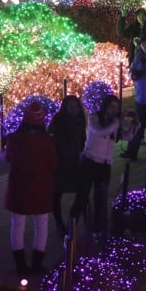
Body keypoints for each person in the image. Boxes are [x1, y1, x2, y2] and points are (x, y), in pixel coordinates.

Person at [4, 100, 58, 276]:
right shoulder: (47, 141)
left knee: (17, 224)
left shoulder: (14, 139)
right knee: (41, 224)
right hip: (40, 187)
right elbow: (53, 163)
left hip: (19, 186)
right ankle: (37, 263)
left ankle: (20, 265)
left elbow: (9, 160)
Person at [79, 95, 136, 238]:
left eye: (117, 108)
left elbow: (127, 137)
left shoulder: (114, 122)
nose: (114, 110)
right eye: (112, 107)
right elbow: (100, 132)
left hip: (105, 165)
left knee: (101, 198)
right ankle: (74, 225)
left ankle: (98, 228)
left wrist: (136, 125)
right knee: (83, 196)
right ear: (105, 106)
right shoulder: (94, 118)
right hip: (89, 162)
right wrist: (118, 121)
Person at [47, 95, 86, 236]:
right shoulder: (58, 120)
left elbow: (82, 139)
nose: (73, 109)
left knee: (82, 192)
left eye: (75, 106)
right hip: (60, 161)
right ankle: (59, 223)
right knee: (57, 193)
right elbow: (50, 137)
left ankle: (74, 220)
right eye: (70, 106)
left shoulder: (80, 120)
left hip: (75, 160)